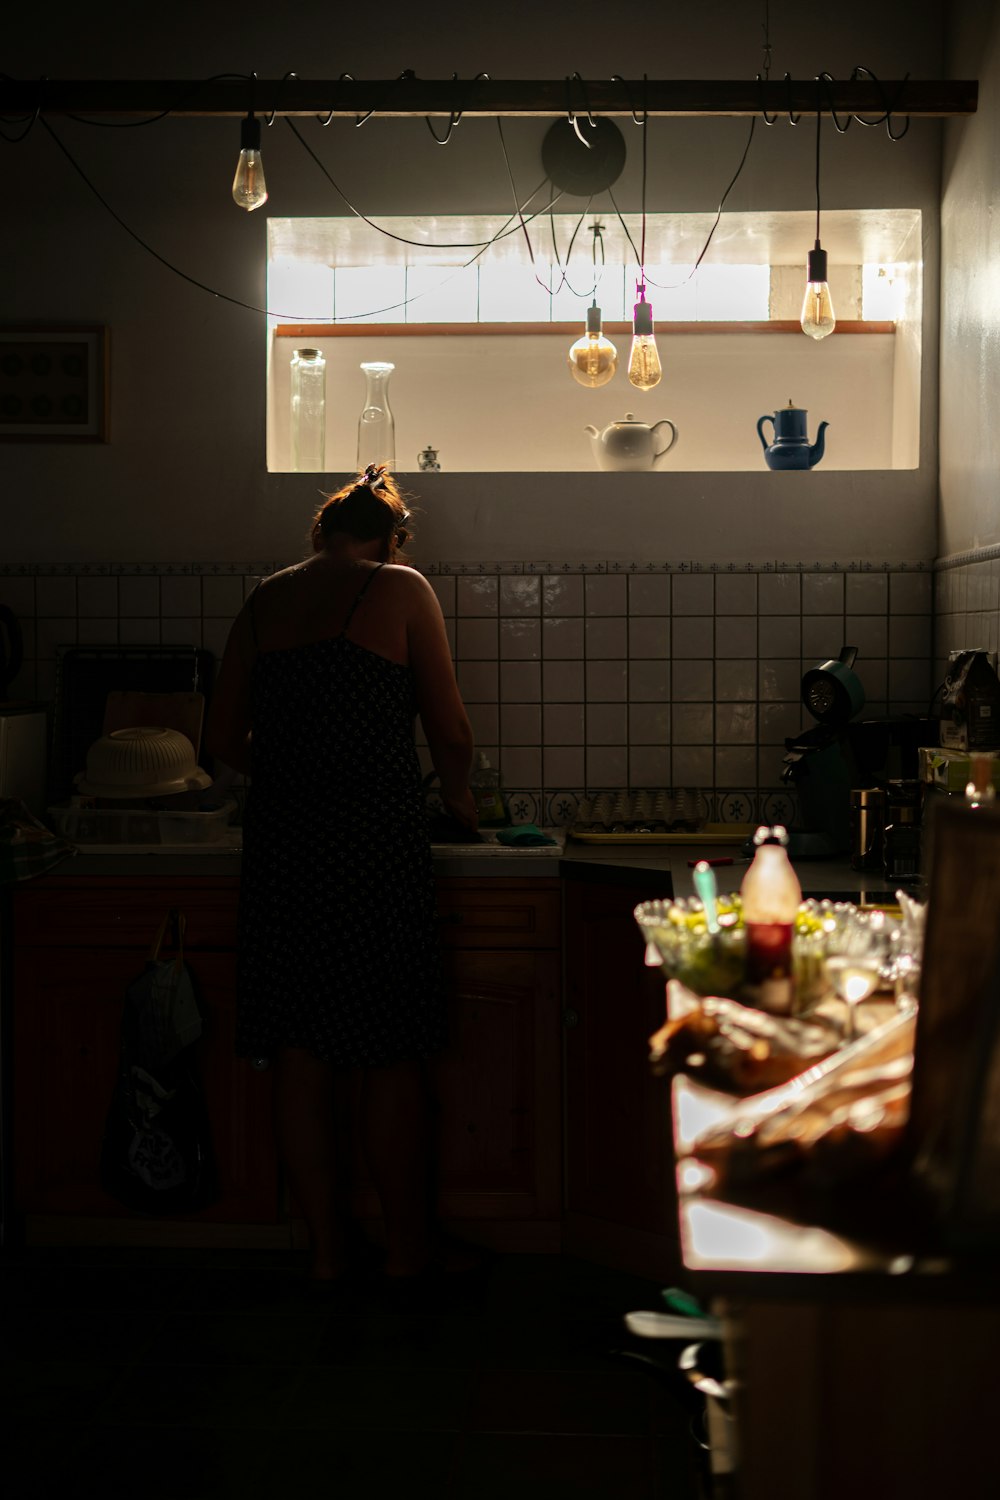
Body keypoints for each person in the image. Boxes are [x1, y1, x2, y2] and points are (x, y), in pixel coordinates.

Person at [205, 465, 476, 1287]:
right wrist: (459, 803)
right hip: (373, 846)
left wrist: (293, 777)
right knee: (389, 1052)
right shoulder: (399, 587)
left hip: (284, 850)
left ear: (321, 534)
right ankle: (405, 1253)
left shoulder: (264, 600)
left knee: (300, 1052)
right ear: (390, 538)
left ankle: (326, 1254)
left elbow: (220, 741)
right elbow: (449, 728)